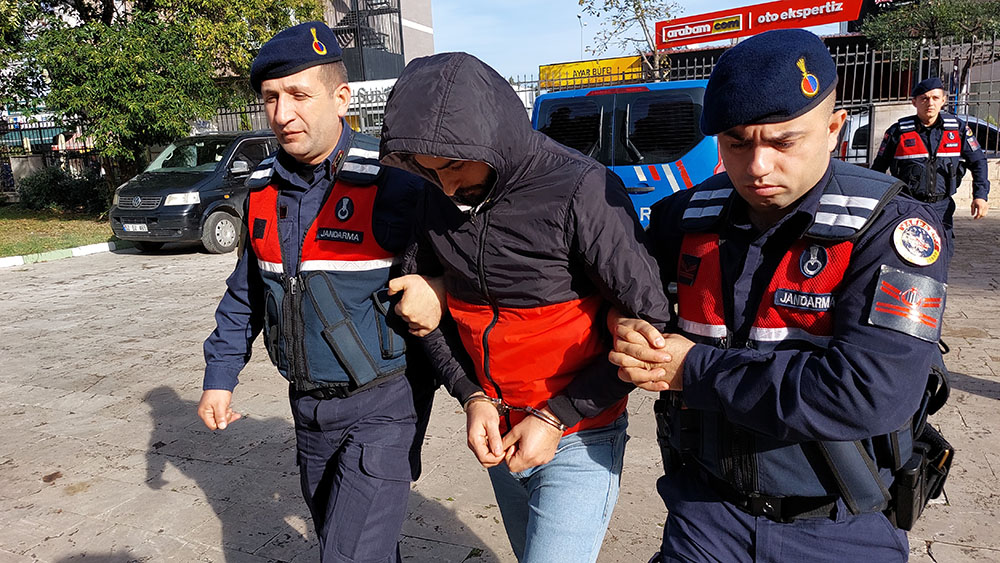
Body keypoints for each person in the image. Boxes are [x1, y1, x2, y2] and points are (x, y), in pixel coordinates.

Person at [609, 29, 951, 562]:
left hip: (840, 526)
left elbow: (870, 393)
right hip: (705, 515)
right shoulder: (685, 217)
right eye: (736, 143)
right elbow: (627, 299)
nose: (757, 166)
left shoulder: (894, 231)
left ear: (834, 129)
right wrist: (628, 327)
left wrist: (692, 369)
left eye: (783, 142)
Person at [378, 52, 672, 563]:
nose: (447, 186)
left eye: (453, 166)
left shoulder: (582, 188)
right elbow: (421, 314)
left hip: (579, 433)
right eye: (429, 170)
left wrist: (556, 417)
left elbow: (651, 325)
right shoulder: (433, 196)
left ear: (493, 137)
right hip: (498, 427)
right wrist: (471, 395)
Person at [197, 21, 433, 563]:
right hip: (307, 411)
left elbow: (464, 269)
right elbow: (246, 293)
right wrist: (220, 376)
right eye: (271, 98)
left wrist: (437, 289)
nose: (282, 114)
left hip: (383, 405)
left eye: (299, 95)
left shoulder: (394, 182)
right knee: (349, 543)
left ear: (341, 98)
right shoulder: (261, 190)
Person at [872, 76, 990, 240]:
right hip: (907, 204)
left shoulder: (957, 130)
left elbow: (978, 162)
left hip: (942, 207)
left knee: (943, 249)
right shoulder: (898, 131)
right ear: (914, 102)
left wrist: (980, 195)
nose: (930, 103)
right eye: (924, 98)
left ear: (943, 100)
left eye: (935, 98)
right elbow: (878, 168)